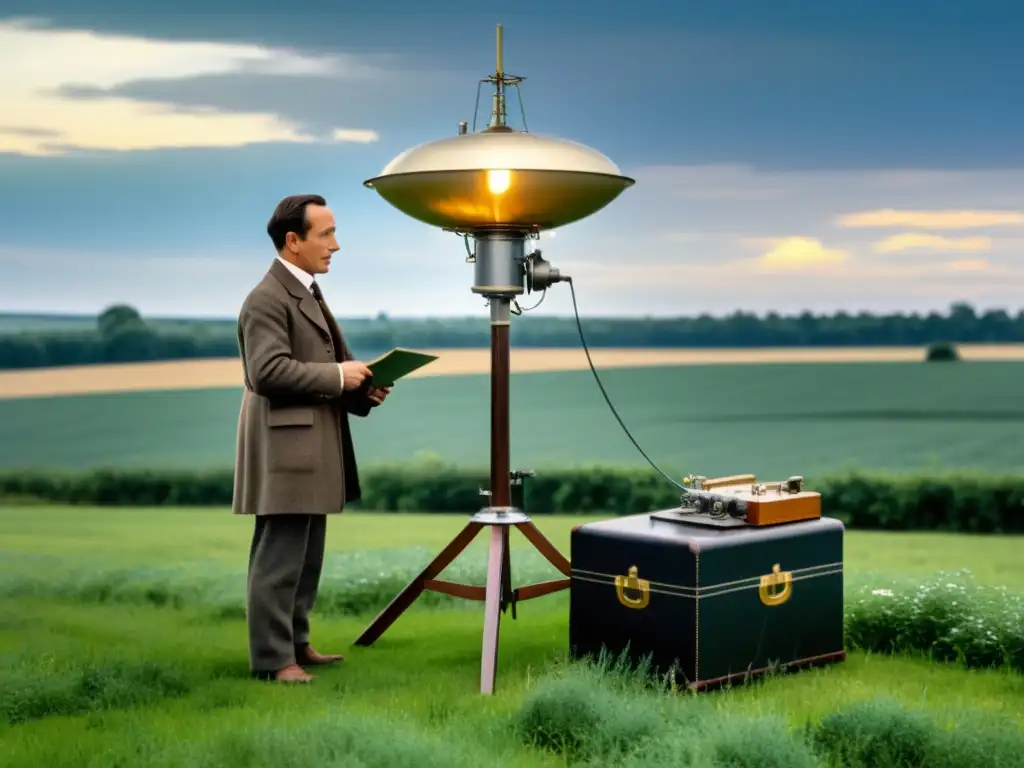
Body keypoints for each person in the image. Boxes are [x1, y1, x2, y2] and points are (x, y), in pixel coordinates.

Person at [232, 194, 391, 683]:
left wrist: (363, 389)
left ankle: (296, 645)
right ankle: (273, 660)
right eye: (326, 234)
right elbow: (267, 372)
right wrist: (338, 376)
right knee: (279, 559)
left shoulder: (307, 291)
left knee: (307, 557)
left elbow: (328, 368)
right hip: (285, 449)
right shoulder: (266, 298)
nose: (336, 246)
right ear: (293, 241)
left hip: (311, 446)